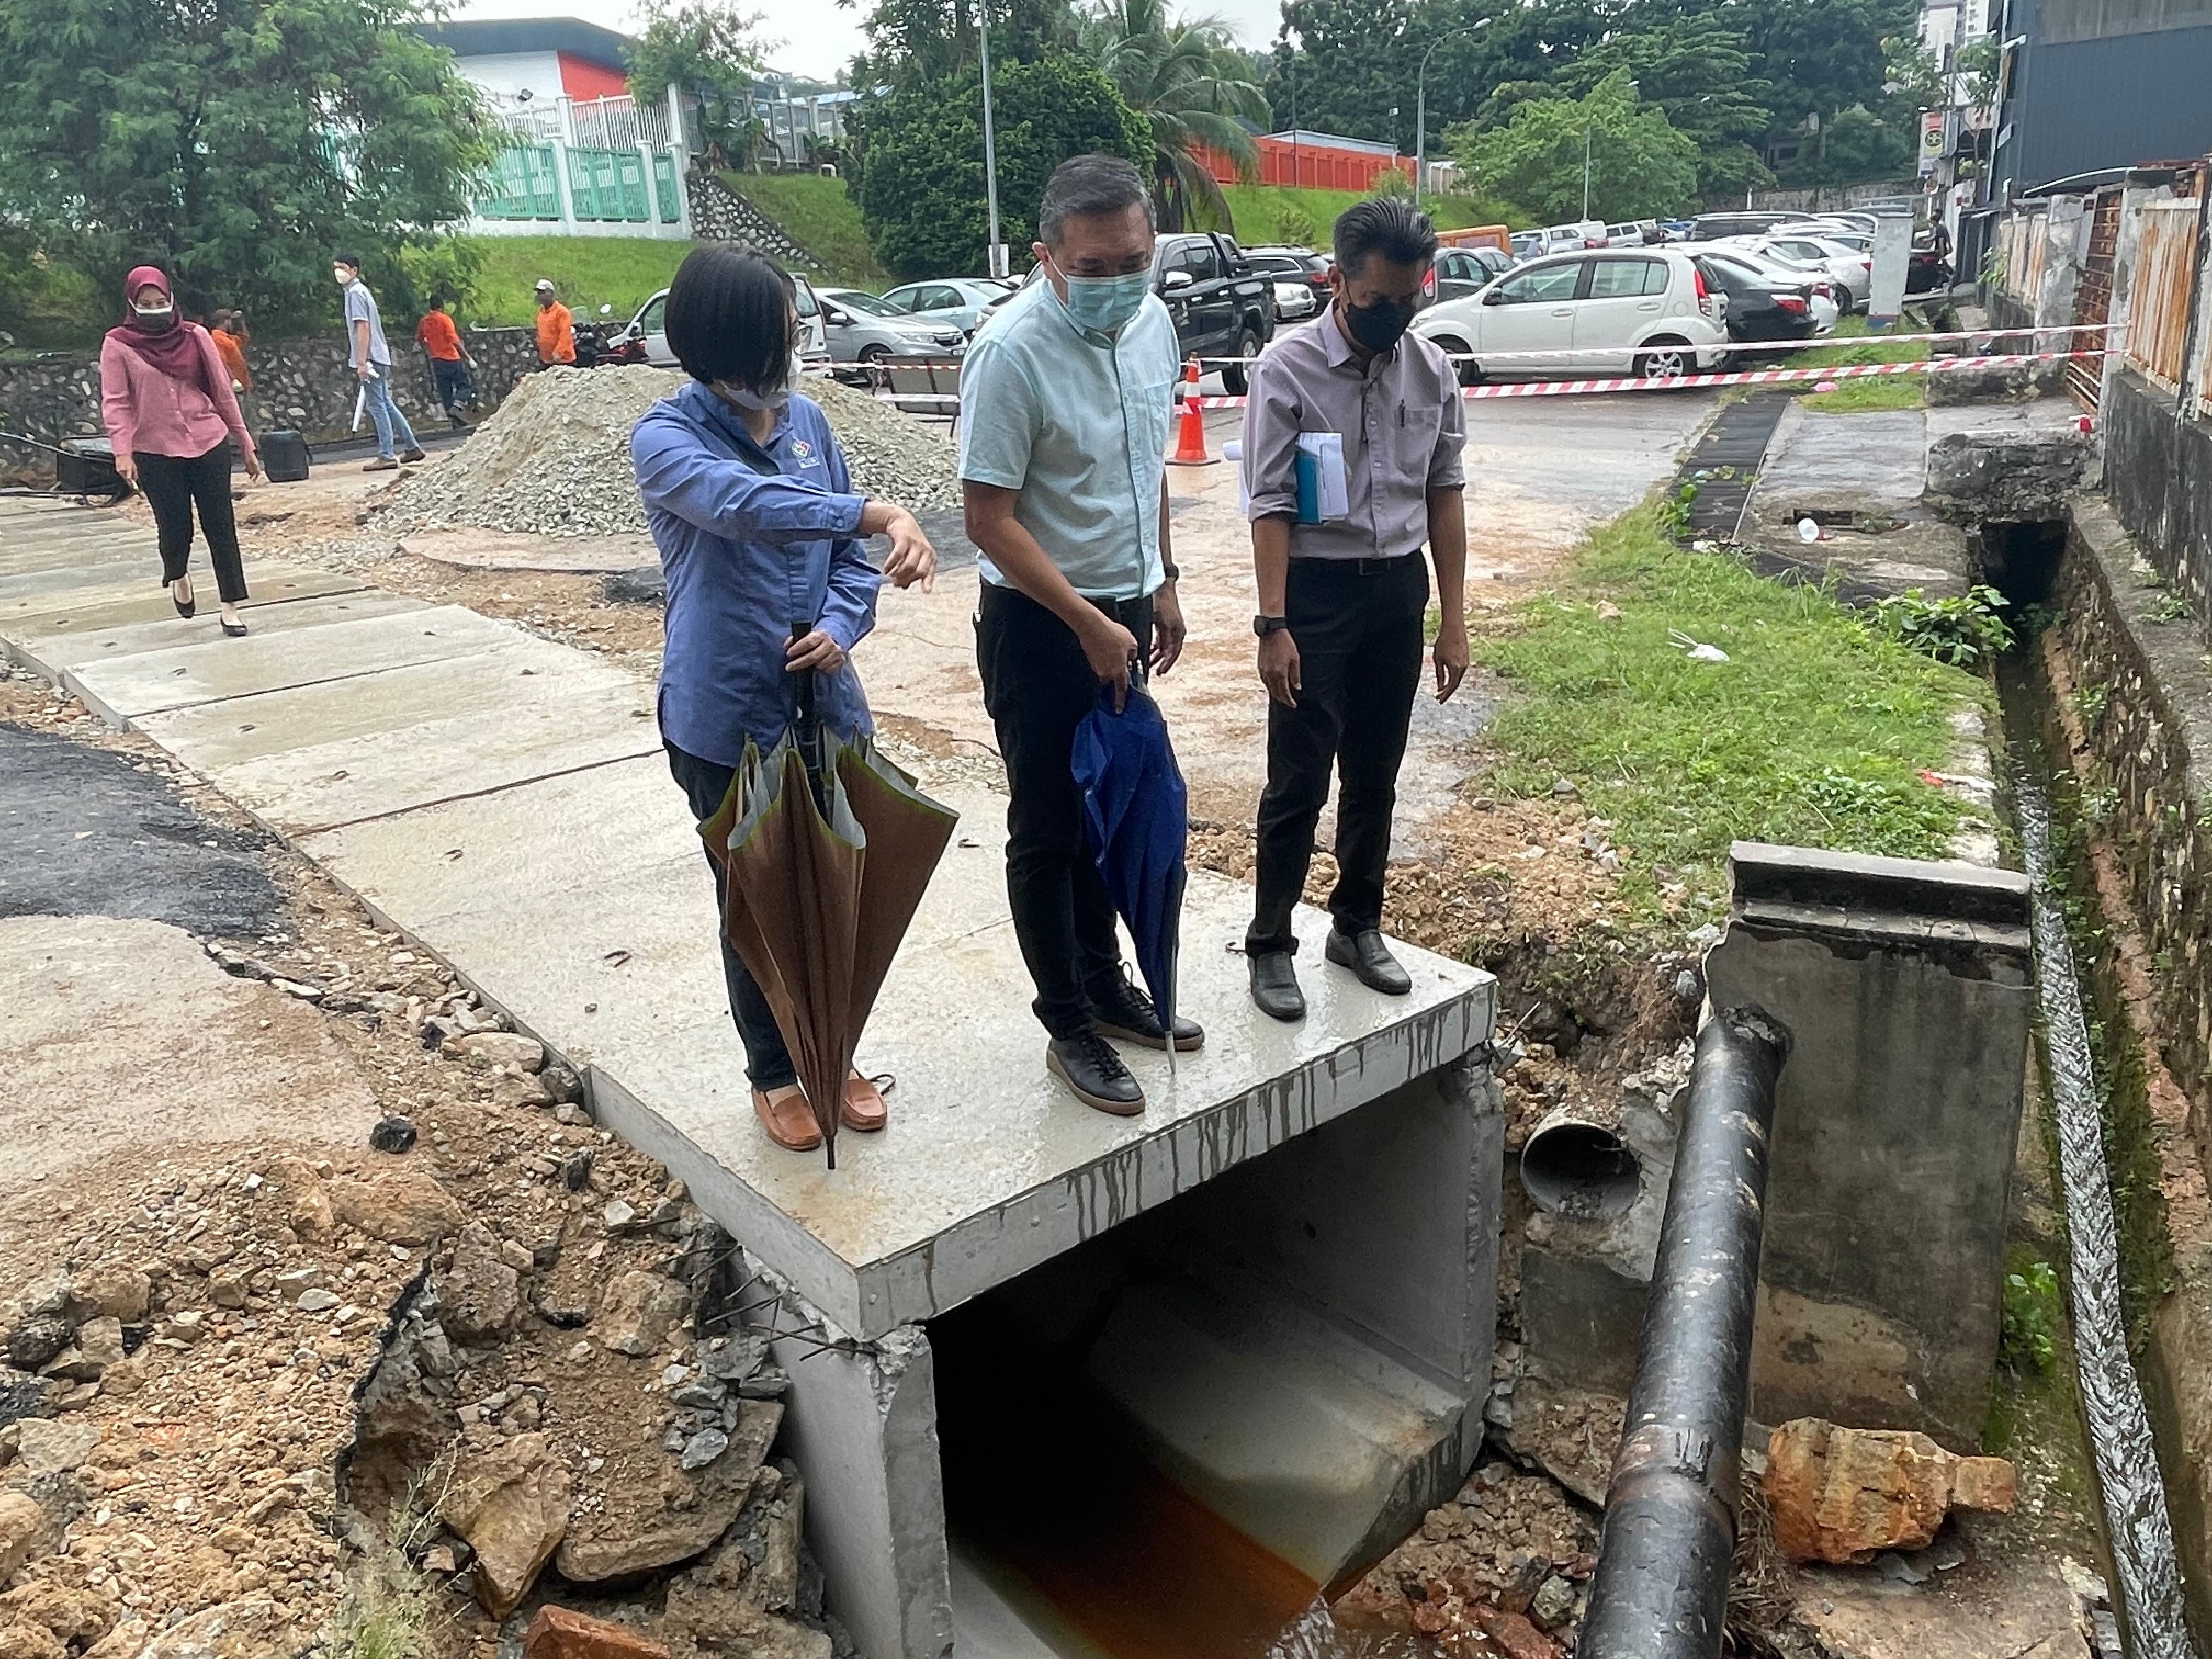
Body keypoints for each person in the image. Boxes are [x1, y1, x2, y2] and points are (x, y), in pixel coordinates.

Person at [631, 244, 938, 1155]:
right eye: (784, 329)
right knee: (756, 897)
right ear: (730, 339)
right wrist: (874, 511)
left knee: (835, 886)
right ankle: (775, 1067)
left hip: (825, 709)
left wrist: (845, 623)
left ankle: (833, 1049)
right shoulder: (666, 438)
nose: (796, 342)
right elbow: (748, 506)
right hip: (725, 719)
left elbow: (846, 564)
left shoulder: (807, 421)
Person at [957, 153, 1200, 1119]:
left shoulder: (1153, 326)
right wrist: (1088, 621)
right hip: (1041, 621)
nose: (1116, 282)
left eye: (1132, 260)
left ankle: (1106, 985)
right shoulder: (1009, 351)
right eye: (1093, 267)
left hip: (1125, 608)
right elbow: (987, 516)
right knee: (1050, 826)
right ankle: (1068, 1022)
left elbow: (1147, 466)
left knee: (1114, 815)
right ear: (1047, 257)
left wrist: (1163, 581)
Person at [1240, 197, 1470, 1022]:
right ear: (1337, 282)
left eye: (1410, 300)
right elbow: (1269, 501)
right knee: (1298, 779)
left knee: (1375, 775)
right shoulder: (1287, 369)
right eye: (1377, 301)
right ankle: (1270, 944)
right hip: (1316, 594)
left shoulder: (1431, 369)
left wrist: (1453, 617)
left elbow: (1446, 495)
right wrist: (1275, 624)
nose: (1394, 316)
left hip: (1396, 591)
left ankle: (1357, 924)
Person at [98, 266, 262, 637]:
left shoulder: (196, 335)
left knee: (220, 524)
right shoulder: (119, 344)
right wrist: (122, 451)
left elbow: (222, 391)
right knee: (175, 527)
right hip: (154, 449)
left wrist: (245, 442)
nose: (154, 309)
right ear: (132, 303)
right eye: (146, 304)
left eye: (161, 302)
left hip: (208, 440)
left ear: (172, 300)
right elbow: (117, 402)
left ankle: (230, 606)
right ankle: (178, 574)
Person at [332, 253, 427, 473]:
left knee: (377, 405)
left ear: (354, 270)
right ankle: (411, 446)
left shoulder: (355, 294)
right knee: (385, 402)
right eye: (336, 267)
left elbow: (362, 327)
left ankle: (387, 454)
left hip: (371, 357)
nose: (338, 272)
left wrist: (362, 361)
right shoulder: (360, 292)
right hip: (379, 356)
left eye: (342, 267)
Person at [416, 294, 476, 428]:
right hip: (451, 358)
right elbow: (454, 340)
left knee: (446, 391)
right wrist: (468, 357)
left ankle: (456, 422)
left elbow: (419, 338)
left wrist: (428, 348)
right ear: (441, 306)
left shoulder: (424, 321)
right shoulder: (445, 320)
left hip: (436, 360)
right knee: (465, 386)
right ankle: (456, 408)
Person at [534, 279, 576, 366]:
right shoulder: (541, 313)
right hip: (547, 360)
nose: (540, 296)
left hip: (564, 361)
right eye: (539, 293)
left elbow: (565, 335)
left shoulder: (562, 312)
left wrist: (558, 353)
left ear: (551, 293)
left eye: (543, 292)